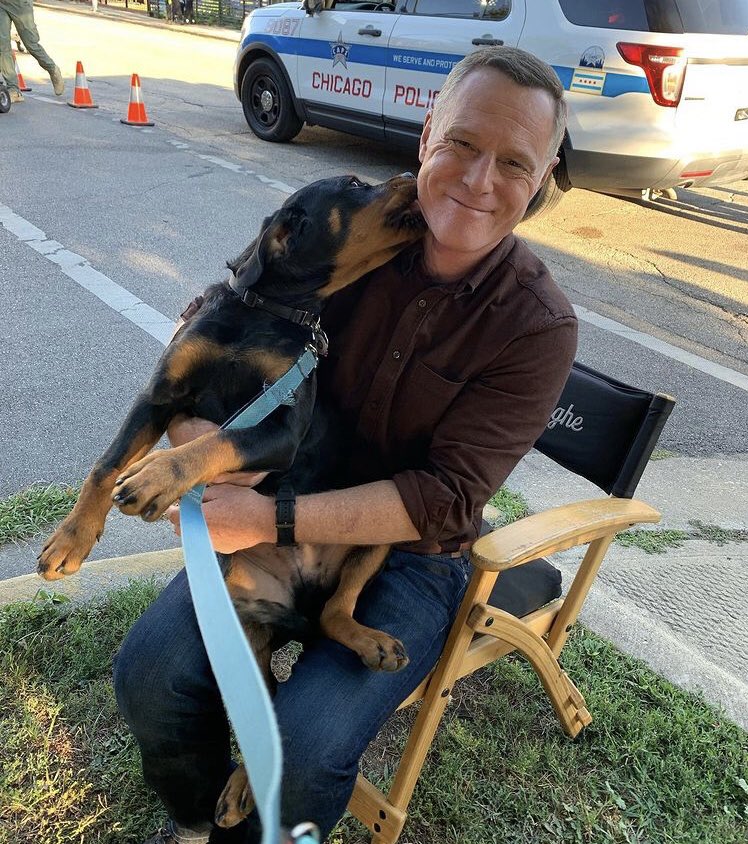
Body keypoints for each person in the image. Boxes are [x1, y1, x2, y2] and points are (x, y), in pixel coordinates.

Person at [114, 46, 578, 844]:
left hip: (405, 556)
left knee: (308, 742)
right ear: (428, 131)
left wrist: (266, 520)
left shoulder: (536, 326)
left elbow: (443, 500)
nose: (477, 180)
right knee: (150, 674)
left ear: (540, 181)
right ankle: (195, 828)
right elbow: (217, 314)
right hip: (273, 498)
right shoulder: (352, 237)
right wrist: (195, 438)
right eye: (463, 143)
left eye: (513, 162)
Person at [0, 0, 64, 104]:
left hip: (20, 4)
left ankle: (52, 68)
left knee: (31, 45)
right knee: (2, 47)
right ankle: (13, 90)